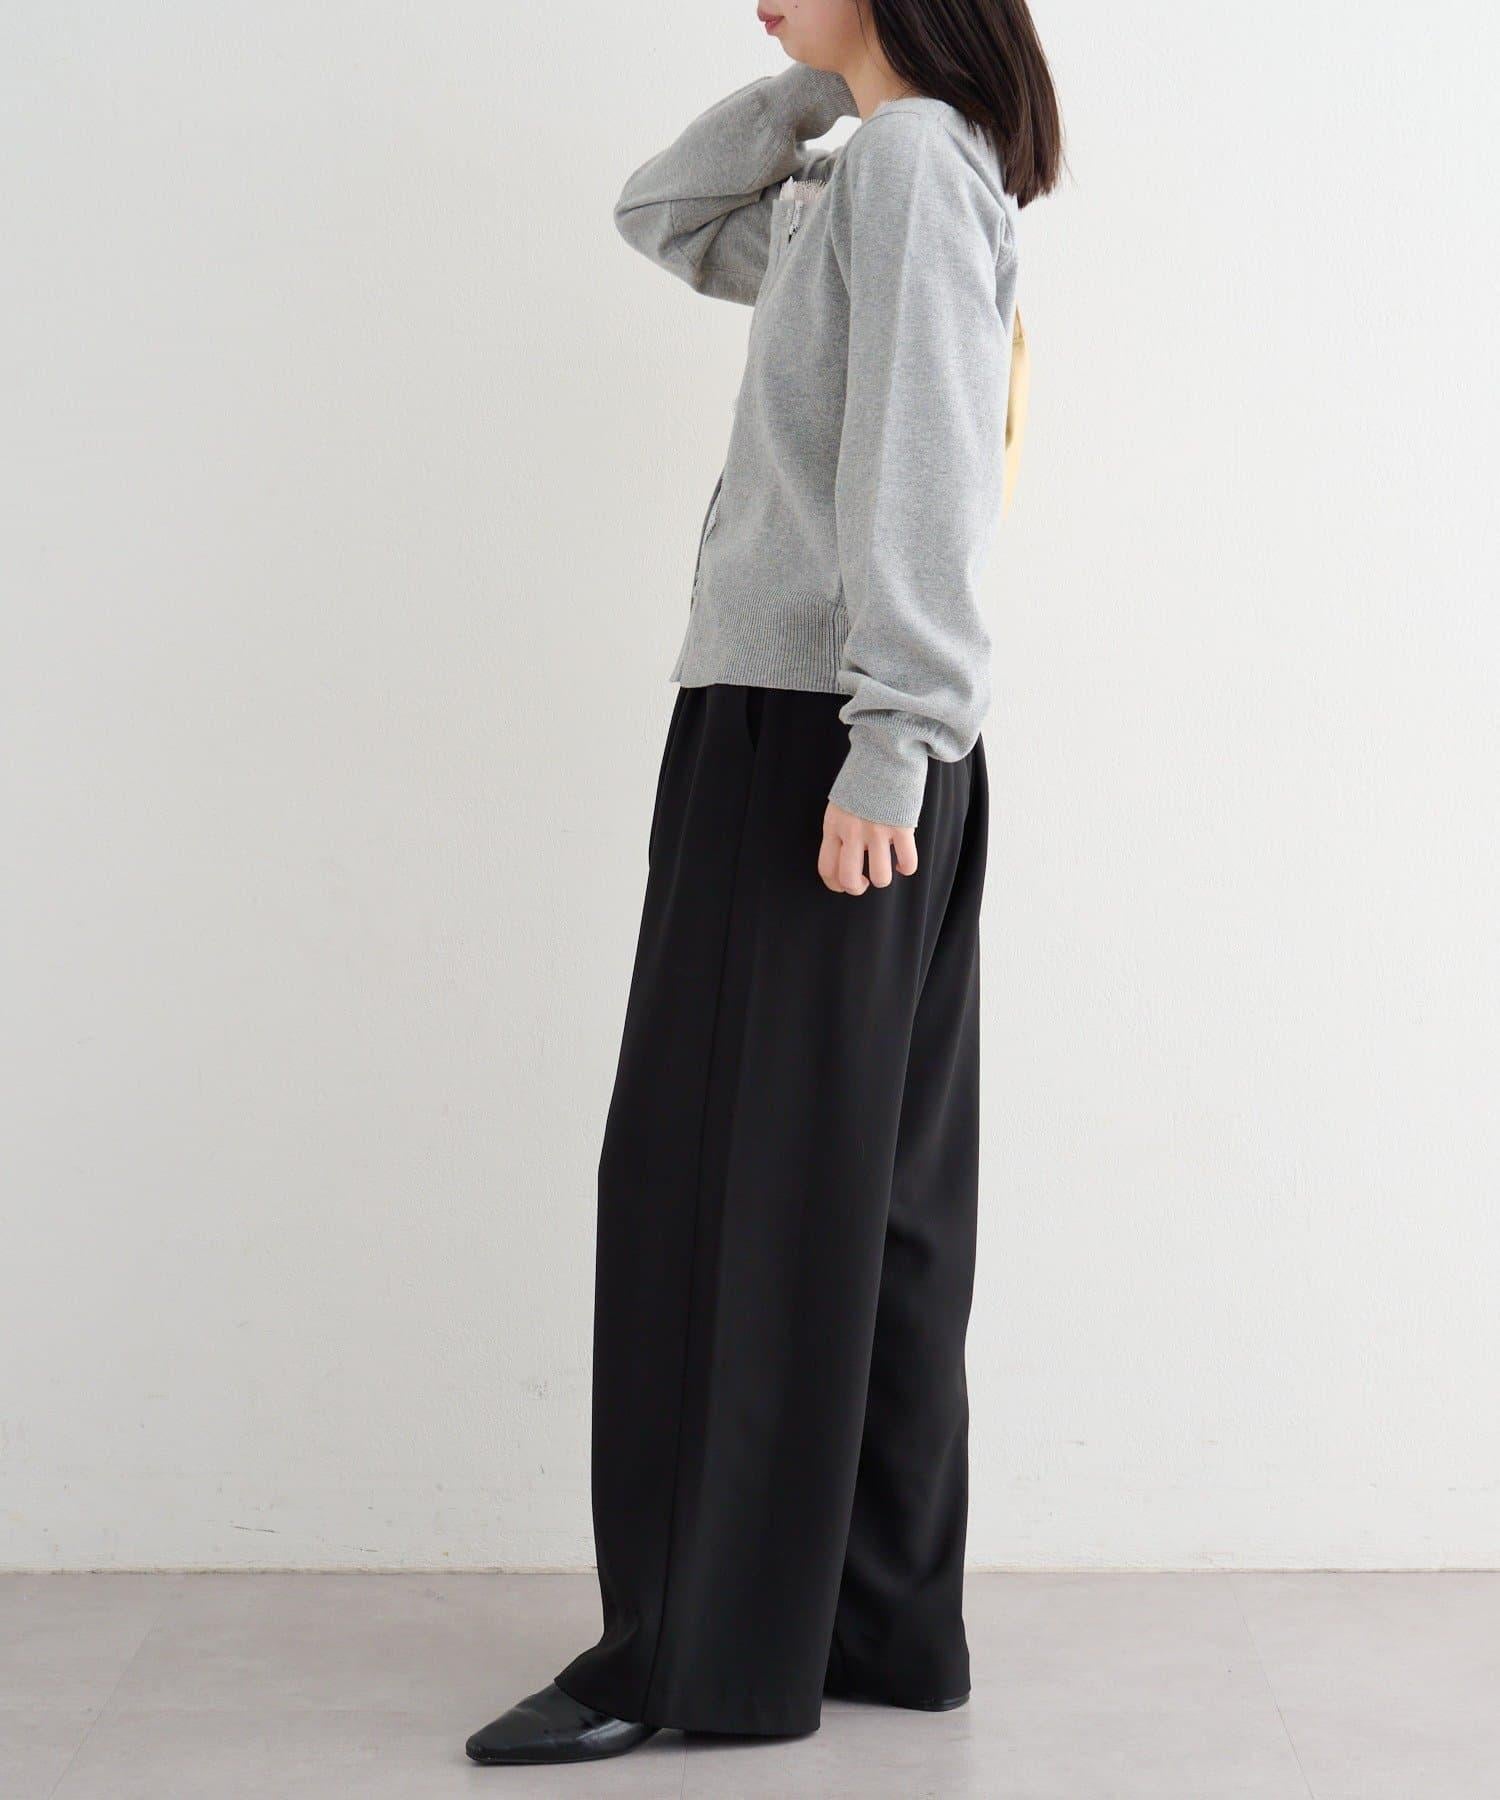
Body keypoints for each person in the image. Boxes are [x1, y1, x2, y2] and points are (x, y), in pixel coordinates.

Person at [466, 0, 1061, 1767]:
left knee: (716, 1194)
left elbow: (929, 461)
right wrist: (821, 75)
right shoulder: (877, 164)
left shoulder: (908, 164)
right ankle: (872, 1621)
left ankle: (685, 1659)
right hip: (856, 735)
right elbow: (664, 214)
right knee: (865, 1205)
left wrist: (893, 734)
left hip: (821, 739)